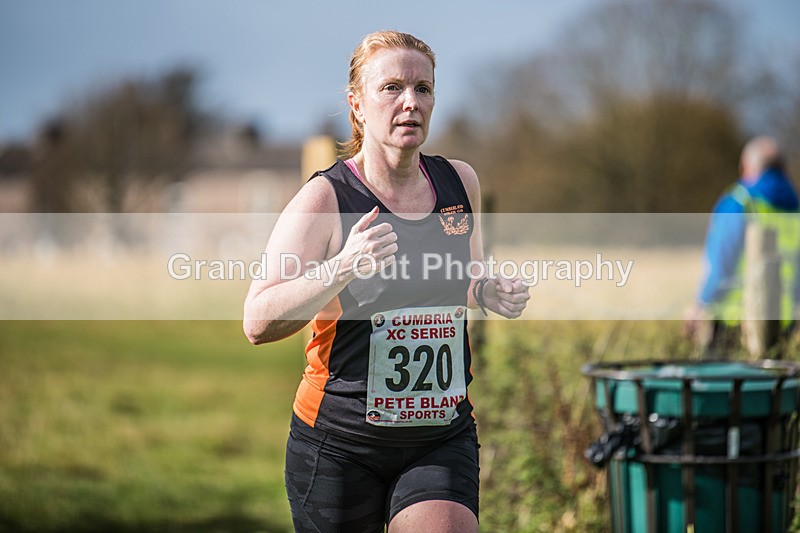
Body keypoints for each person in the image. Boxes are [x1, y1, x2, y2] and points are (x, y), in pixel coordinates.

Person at [243, 31, 530, 533]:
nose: (410, 103)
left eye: (423, 88)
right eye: (391, 87)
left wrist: (486, 290)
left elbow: (460, 274)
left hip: (440, 434)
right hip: (339, 443)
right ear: (356, 104)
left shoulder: (459, 182)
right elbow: (258, 320)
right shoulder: (326, 199)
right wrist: (344, 265)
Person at [684, 136, 800, 353]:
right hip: (783, 325)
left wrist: (699, 306)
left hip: (735, 323)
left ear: (746, 166)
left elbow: (721, 265)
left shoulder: (739, 202)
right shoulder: (795, 209)